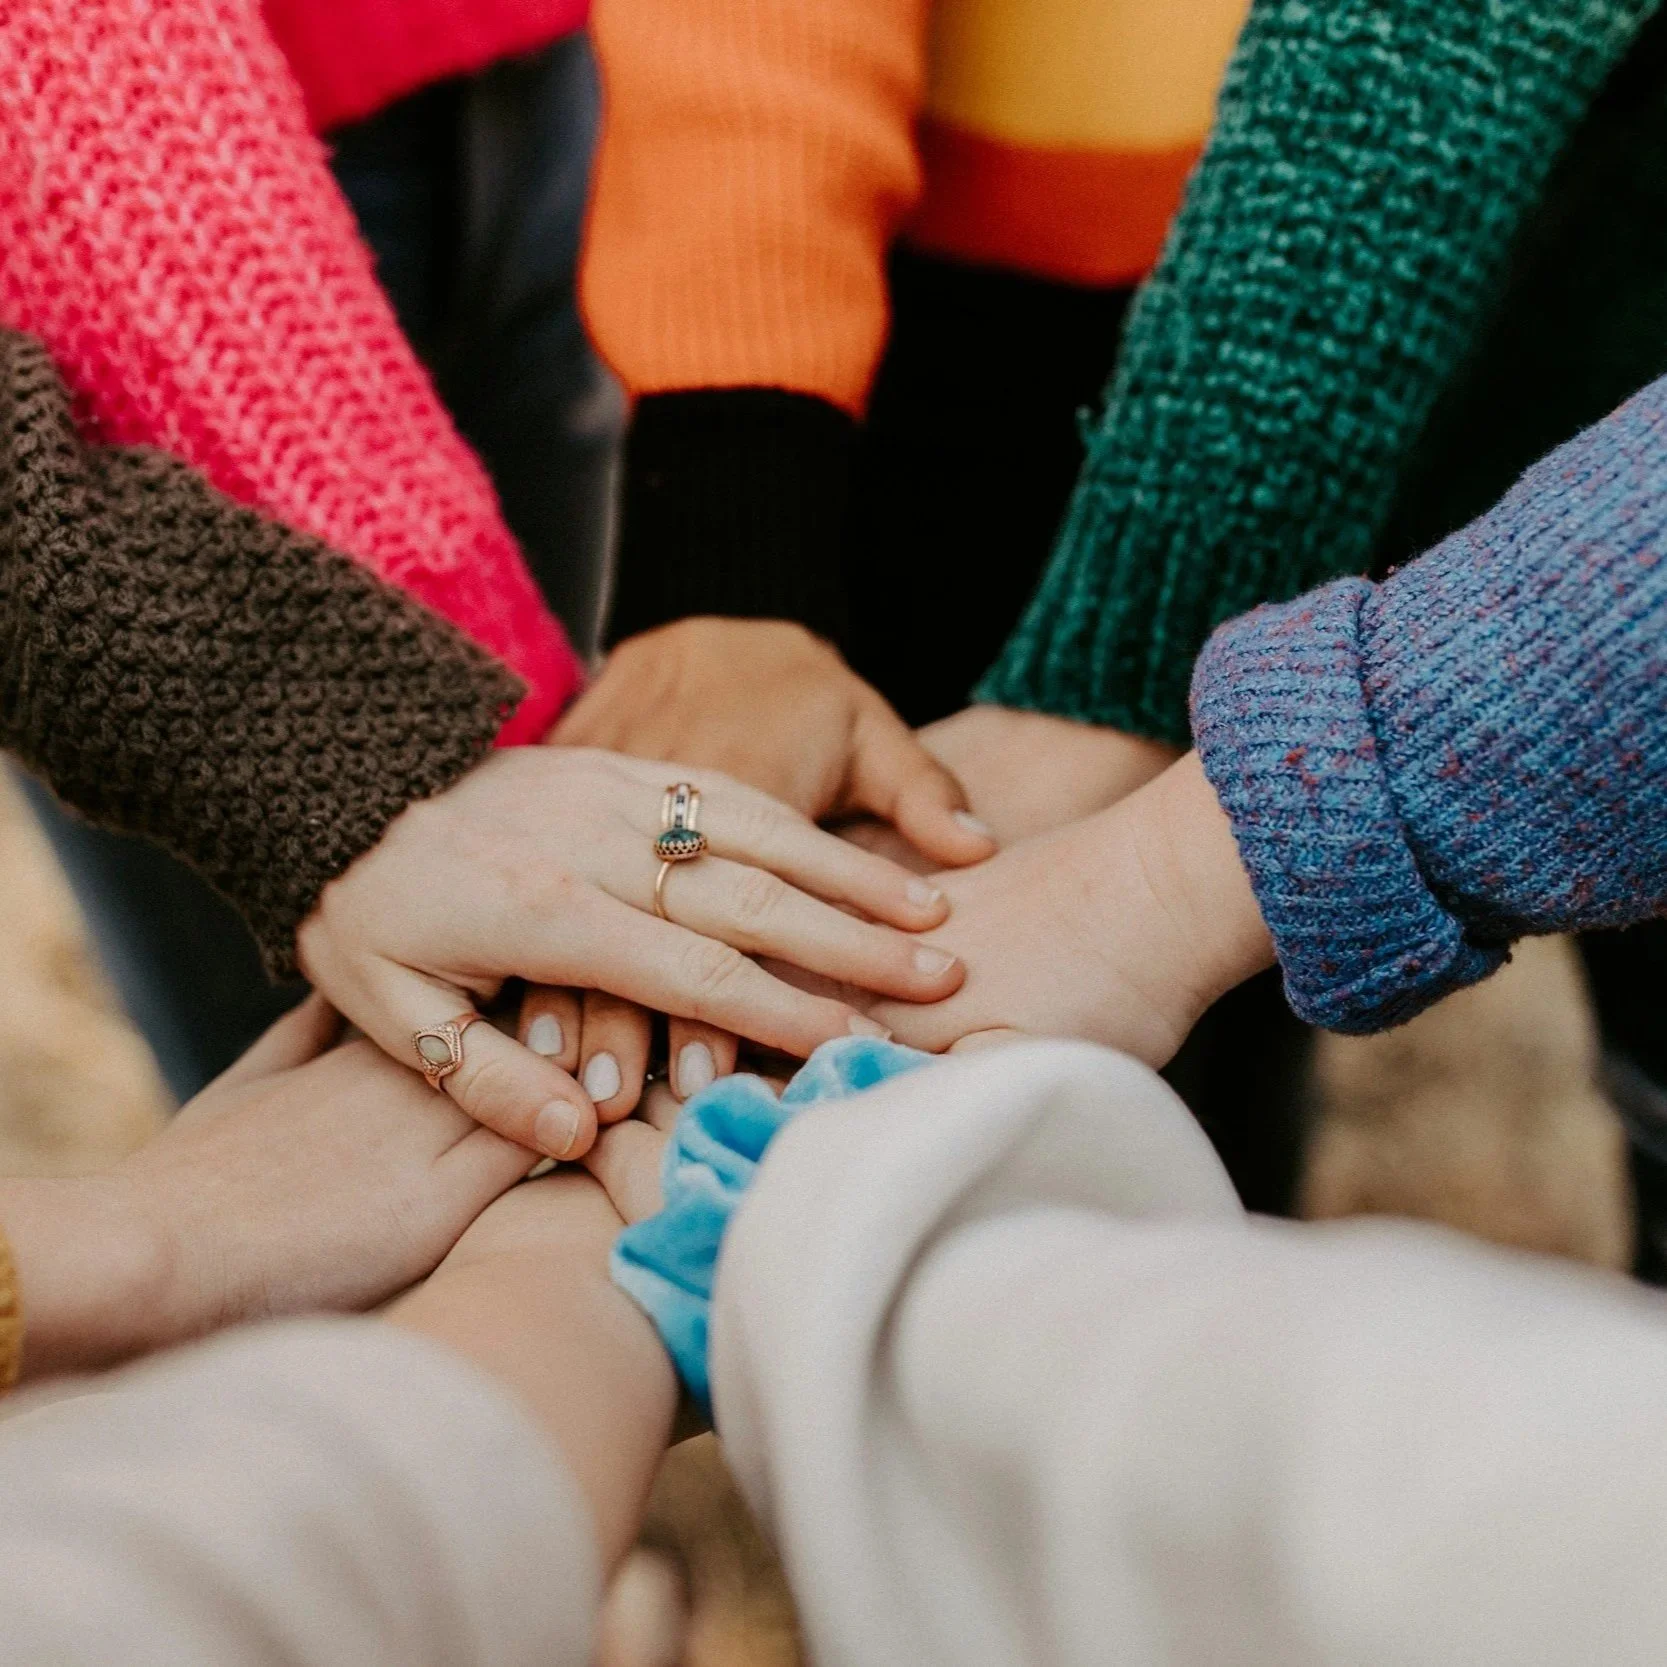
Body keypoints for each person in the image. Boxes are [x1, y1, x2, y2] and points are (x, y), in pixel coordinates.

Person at [0, 328, 958, 1162]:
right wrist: (299, 742)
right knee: (362, 1102)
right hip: (93, 416)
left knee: (550, 877)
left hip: (513, 157)